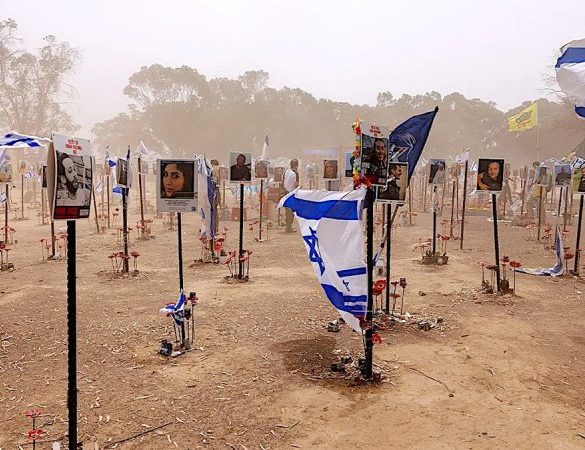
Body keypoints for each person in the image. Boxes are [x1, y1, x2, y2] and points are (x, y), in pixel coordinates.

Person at [283, 159, 299, 232]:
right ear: (296, 165)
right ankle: (289, 227)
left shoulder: (286, 172)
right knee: (291, 211)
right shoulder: (295, 173)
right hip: (292, 194)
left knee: (287, 210)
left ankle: (288, 226)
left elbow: (282, 182)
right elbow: (296, 185)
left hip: (286, 193)